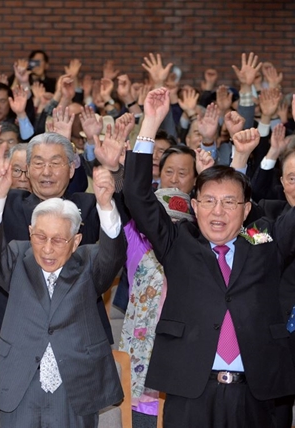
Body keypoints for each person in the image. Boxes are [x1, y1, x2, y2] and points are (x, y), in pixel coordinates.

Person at [123, 87, 295, 427]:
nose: (218, 211)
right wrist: (151, 122)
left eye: (229, 202)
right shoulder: (178, 243)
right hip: (191, 392)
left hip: (255, 394)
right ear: (195, 205)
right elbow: (137, 196)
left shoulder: (263, 241)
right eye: (209, 201)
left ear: (246, 210)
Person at [0, 156, 125, 427]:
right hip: (21, 380)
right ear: (30, 232)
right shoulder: (17, 257)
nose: (47, 249)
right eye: (40, 237)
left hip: (75, 383)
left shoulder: (89, 263)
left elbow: (113, 254)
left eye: (58, 240)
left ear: (76, 240)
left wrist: (105, 206)